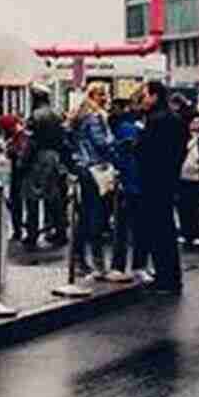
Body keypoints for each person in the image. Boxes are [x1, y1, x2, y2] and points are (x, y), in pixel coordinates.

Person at [137, 78, 188, 293]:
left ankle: (165, 278)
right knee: (166, 228)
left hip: (154, 181)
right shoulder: (175, 119)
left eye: (146, 95)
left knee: (158, 230)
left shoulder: (155, 121)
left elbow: (145, 151)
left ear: (155, 96)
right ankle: (171, 275)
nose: (144, 99)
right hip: (169, 180)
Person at [69, 82, 115, 282]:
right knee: (97, 214)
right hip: (96, 167)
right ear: (95, 96)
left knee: (85, 214)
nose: (106, 98)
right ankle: (98, 262)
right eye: (103, 94)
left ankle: (80, 259)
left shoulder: (79, 116)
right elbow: (102, 143)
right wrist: (114, 139)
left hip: (83, 167)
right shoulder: (95, 117)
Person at [22, 84, 68, 250]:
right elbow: (63, 140)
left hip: (38, 159)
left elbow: (30, 143)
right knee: (54, 197)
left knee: (32, 198)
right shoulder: (56, 114)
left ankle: (32, 234)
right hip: (54, 158)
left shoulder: (35, 116)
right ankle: (60, 232)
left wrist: (23, 162)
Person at [107, 94, 146, 282]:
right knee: (138, 227)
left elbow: (116, 155)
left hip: (126, 182)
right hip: (137, 182)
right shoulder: (136, 128)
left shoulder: (120, 129)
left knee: (122, 228)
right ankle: (138, 265)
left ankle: (119, 265)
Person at [175, 103, 199, 247]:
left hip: (198, 176)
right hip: (183, 176)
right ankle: (185, 232)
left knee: (198, 207)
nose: (196, 124)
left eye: (198, 122)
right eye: (193, 122)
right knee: (184, 206)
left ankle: (197, 233)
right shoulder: (183, 138)